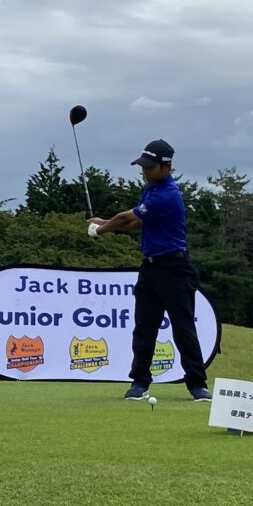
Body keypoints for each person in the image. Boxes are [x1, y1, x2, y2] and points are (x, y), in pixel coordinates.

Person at [87, 139, 212, 402]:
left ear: (166, 167)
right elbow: (135, 222)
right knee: (144, 327)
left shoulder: (168, 195)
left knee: (183, 328)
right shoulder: (151, 190)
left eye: (149, 167)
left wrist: (100, 230)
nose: (144, 171)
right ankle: (140, 382)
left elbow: (125, 218)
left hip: (175, 268)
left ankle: (197, 385)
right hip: (151, 268)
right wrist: (105, 222)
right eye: (143, 167)